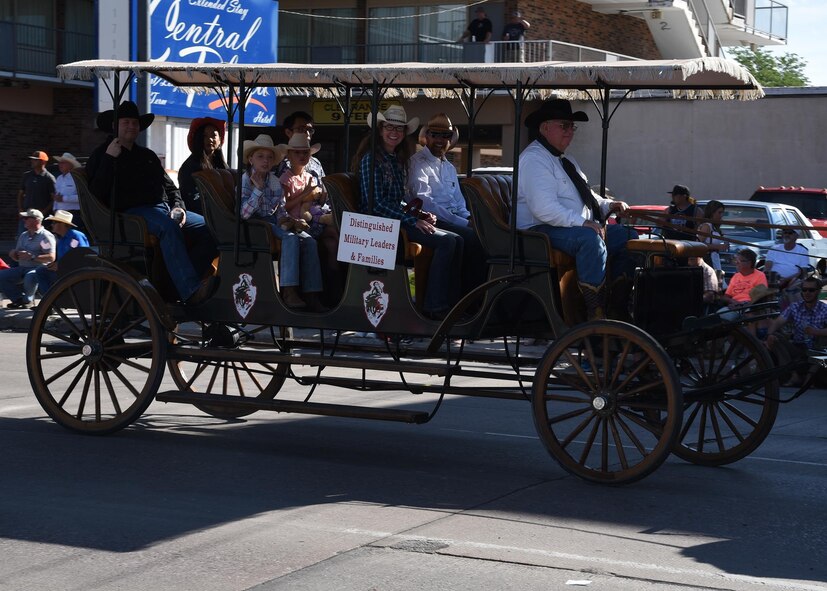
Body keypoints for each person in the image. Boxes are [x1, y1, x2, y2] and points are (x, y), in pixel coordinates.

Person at [86, 101, 218, 306]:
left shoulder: (147, 155)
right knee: (167, 227)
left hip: (163, 210)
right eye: (126, 122)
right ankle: (190, 291)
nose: (131, 126)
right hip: (132, 215)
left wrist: (178, 207)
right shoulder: (102, 155)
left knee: (212, 228)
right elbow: (95, 192)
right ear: (115, 126)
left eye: (134, 123)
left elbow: (170, 187)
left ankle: (179, 283)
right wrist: (109, 159)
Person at [515, 98, 635, 320]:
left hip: (568, 228)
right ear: (544, 127)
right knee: (589, 239)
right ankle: (594, 312)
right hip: (539, 230)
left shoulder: (565, 160)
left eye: (572, 126)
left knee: (628, 236)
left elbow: (586, 195)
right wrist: (584, 223)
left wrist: (609, 205)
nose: (570, 132)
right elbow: (543, 209)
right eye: (564, 126)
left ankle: (617, 304)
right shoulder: (534, 160)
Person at [353, 106, 463, 319]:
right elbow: (374, 204)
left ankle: (450, 302)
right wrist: (412, 221)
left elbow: (397, 201)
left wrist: (418, 215)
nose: (394, 132)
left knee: (456, 239)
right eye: (389, 127)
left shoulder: (394, 160)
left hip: (395, 221)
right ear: (380, 129)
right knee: (448, 241)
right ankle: (434, 306)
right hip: (379, 226)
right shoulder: (372, 160)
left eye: (399, 129)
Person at [240, 134, 325, 311]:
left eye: (270, 157)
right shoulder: (245, 181)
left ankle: (311, 293)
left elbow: (280, 210)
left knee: (309, 240)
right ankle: (288, 291)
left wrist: (290, 221)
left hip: (272, 222)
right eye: (260, 157)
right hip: (254, 226)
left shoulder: (274, 181)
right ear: (250, 159)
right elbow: (244, 214)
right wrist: (257, 191)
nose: (265, 161)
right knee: (290, 239)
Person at [408, 112, 486, 293]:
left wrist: (469, 219)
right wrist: (463, 222)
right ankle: (463, 296)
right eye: (435, 134)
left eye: (446, 136)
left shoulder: (449, 167)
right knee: (471, 238)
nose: (440, 140)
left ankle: (473, 294)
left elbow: (459, 202)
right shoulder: (417, 163)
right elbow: (424, 202)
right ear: (426, 136)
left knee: (485, 235)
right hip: (431, 219)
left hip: (452, 218)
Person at [765, 276, 827, 386]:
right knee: (774, 338)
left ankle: (807, 378)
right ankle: (794, 375)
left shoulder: (824, 309)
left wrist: (816, 332)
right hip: (798, 347)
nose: (807, 293)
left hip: (817, 350)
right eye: (804, 290)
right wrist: (769, 335)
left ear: (818, 292)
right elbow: (778, 322)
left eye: (811, 290)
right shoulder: (795, 307)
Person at [0, 209, 55, 309]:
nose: (23, 220)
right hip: (22, 267)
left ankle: (27, 301)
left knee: (30, 276)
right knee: (1, 276)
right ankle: (18, 299)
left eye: (26, 218)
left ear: (36, 220)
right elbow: (18, 255)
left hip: (38, 268)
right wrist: (14, 254)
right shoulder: (23, 235)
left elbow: (51, 257)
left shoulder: (45, 236)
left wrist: (32, 256)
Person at [177, 117, 228, 215]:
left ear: (220, 139)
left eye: (214, 135)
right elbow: (192, 199)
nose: (210, 139)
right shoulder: (189, 167)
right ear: (198, 139)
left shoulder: (222, 166)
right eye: (205, 136)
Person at [35, 210, 90, 295]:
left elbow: (82, 256)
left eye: (54, 222)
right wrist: (55, 264)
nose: (52, 225)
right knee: (41, 271)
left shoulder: (75, 236)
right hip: (64, 272)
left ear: (62, 224)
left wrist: (61, 265)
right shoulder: (61, 239)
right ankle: (49, 301)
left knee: (41, 272)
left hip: (74, 273)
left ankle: (50, 301)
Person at [274, 111, 326, 182]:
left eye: (310, 130)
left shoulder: (316, 163)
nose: (307, 133)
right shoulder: (276, 162)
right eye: (301, 129)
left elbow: (324, 189)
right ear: (288, 132)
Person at [717, 248, 768, 319]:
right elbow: (726, 296)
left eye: (740, 261)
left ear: (749, 263)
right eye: (736, 260)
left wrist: (742, 305)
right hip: (734, 305)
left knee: (748, 316)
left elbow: (760, 297)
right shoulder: (736, 276)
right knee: (717, 316)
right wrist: (733, 302)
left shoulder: (760, 276)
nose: (736, 263)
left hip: (751, 307)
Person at [17, 150, 56, 236]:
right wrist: (20, 209)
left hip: (40, 217)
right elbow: (21, 194)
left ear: (43, 162)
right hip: (26, 214)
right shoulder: (27, 176)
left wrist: (44, 212)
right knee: (22, 237)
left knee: (40, 239)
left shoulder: (49, 178)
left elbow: (54, 199)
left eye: (35, 159)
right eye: (32, 159)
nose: (32, 161)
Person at [695, 199, 728, 281]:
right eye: (719, 212)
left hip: (715, 259)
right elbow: (698, 244)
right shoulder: (707, 226)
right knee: (713, 283)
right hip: (708, 260)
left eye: (722, 213)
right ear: (712, 212)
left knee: (719, 284)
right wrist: (718, 246)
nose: (721, 215)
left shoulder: (714, 226)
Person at [52, 152, 84, 233]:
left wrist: (63, 198)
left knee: (74, 239)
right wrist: (55, 209)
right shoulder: (59, 178)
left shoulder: (77, 178)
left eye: (63, 162)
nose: (60, 164)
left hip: (74, 215)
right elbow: (56, 196)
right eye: (59, 162)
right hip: (59, 215)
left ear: (70, 165)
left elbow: (82, 197)